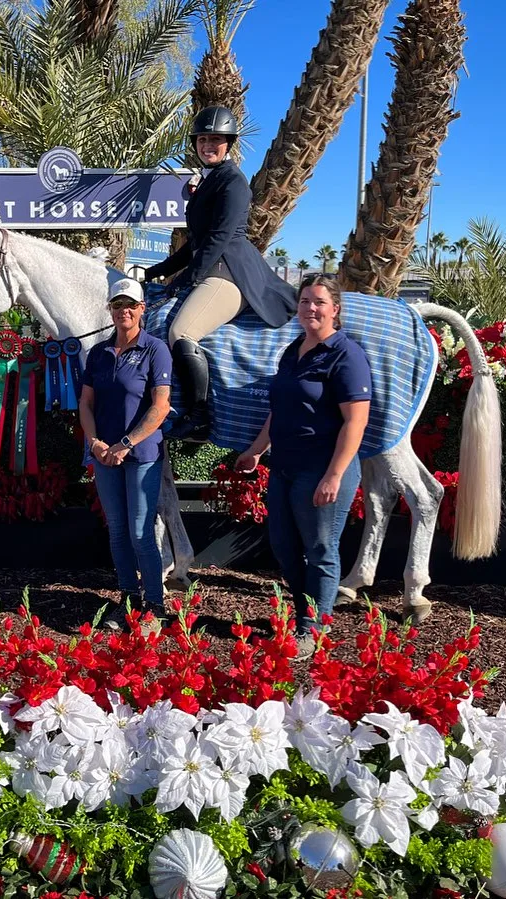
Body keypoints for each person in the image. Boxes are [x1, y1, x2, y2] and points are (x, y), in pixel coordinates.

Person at [235, 275, 371, 660]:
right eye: (305, 301)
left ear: (335, 309)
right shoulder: (294, 350)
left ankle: (314, 630)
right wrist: (257, 450)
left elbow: (355, 423)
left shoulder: (346, 355)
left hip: (322, 468)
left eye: (319, 302)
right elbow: (279, 409)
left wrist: (334, 475)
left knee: (321, 550)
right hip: (285, 468)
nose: (311, 308)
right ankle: (302, 617)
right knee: (283, 547)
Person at [143, 105, 297, 441]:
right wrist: (157, 271)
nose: (208, 145)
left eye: (216, 140)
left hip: (230, 273)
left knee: (182, 332)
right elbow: (195, 242)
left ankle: (199, 416)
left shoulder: (234, 182)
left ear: (228, 143)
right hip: (213, 264)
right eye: (203, 139)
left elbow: (219, 238)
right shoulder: (211, 180)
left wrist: (187, 278)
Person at [79, 277, 173, 624]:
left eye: (131, 304)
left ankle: (155, 605)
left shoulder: (154, 349)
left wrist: (125, 444)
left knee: (139, 531)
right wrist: (95, 443)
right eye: (118, 305)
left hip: (141, 456)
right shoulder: (99, 353)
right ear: (110, 309)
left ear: (142, 309)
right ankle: (129, 599)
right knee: (117, 530)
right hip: (105, 457)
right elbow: (86, 404)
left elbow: (160, 407)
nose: (125, 311)